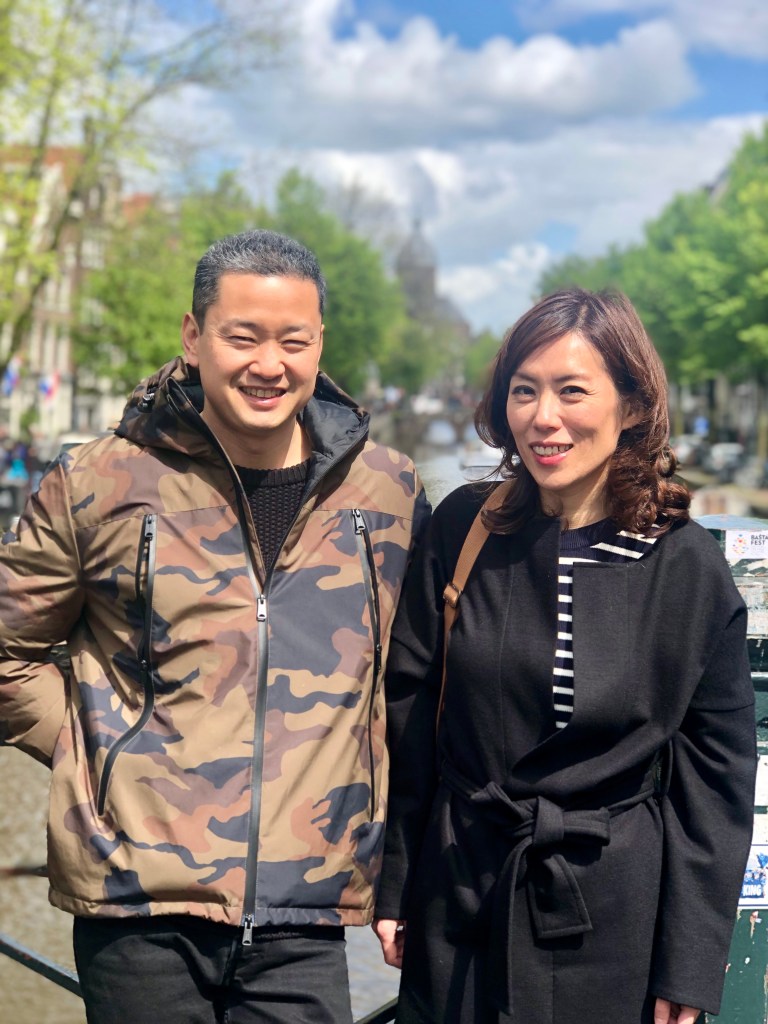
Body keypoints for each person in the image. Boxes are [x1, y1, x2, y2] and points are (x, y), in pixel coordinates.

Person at [0, 228, 429, 1023]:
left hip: (309, 909)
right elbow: (6, 652)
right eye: (243, 337)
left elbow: (414, 681)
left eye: (293, 341)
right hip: (138, 906)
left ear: (319, 343)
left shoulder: (388, 491)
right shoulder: (99, 481)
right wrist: (95, 752)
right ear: (194, 338)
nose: (270, 364)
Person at [374, 288, 756, 1024]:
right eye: (524, 390)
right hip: (461, 896)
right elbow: (412, 717)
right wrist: (399, 882)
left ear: (633, 405)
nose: (543, 417)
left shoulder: (684, 566)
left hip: (612, 921)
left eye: (571, 391)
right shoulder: (464, 528)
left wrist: (690, 959)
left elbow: (716, 778)